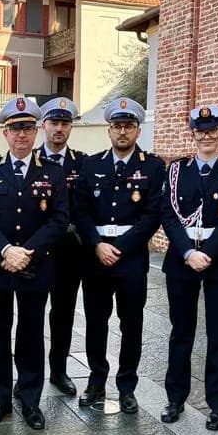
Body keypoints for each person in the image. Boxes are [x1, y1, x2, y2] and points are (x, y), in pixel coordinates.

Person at [0, 97, 68, 430]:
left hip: (35, 266)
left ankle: (29, 399)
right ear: (5, 134)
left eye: (27, 128)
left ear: (36, 130)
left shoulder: (52, 172)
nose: (21, 135)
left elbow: (59, 220)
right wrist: (5, 250)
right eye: (15, 129)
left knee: (30, 334)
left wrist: (26, 252)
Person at [73, 97, 165, 413]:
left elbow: (152, 214)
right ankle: (96, 381)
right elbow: (80, 210)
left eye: (128, 126)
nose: (122, 132)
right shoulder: (91, 164)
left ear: (138, 130)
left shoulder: (153, 166)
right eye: (117, 126)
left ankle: (127, 386)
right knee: (96, 324)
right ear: (109, 130)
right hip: (95, 258)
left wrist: (122, 248)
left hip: (131, 260)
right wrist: (97, 244)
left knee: (132, 324)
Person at [159, 106, 218, 429]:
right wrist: (187, 252)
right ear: (192, 133)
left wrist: (207, 252)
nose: (207, 136)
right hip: (182, 259)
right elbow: (167, 213)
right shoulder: (177, 169)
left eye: (213, 130)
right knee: (181, 331)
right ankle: (175, 398)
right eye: (201, 130)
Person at [33, 97, 86, 396]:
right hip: (39, 253)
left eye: (65, 124)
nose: (59, 129)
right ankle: (31, 374)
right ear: (44, 125)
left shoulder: (82, 162)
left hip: (70, 253)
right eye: (54, 122)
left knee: (63, 315)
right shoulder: (30, 160)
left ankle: (59, 370)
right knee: (32, 316)